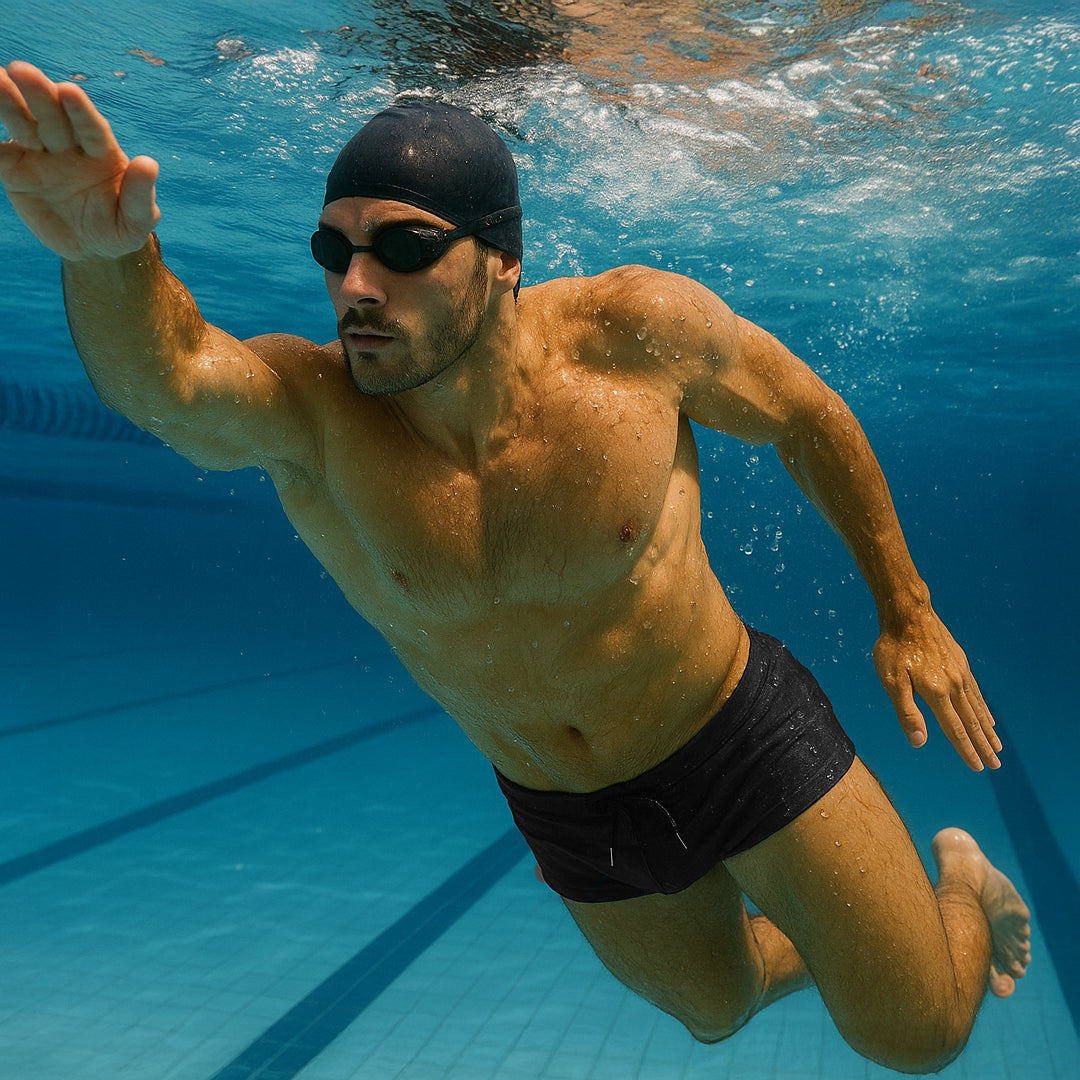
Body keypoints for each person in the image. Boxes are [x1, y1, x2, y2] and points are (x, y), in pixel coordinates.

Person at [0, 61, 1030, 1074]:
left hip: (731, 734)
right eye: (333, 249)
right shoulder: (315, 415)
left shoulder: (634, 336)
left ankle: (960, 884)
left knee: (915, 1035)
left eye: (403, 248)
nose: (355, 287)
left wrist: (907, 609)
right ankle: (854, 949)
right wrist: (108, 261)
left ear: (501, 258)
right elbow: (174, 377)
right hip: (564, 803)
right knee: (716, 1010)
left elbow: (804, 415)